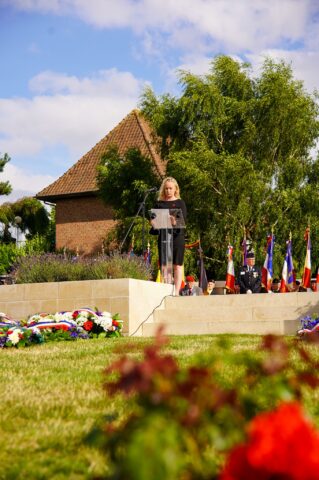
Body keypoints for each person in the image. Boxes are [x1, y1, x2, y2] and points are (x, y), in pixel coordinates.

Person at [150, 176, 187, 295]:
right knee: (165, 265)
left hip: (177, 237)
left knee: (177, 265)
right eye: (166, 189)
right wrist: (153, 222)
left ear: (175, 189)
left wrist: (174, 221)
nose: (168, 191)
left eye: (170, 188)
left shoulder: (180, 203)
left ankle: (176, 291)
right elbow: (153, 219)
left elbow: (184, 220)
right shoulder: (159, 203)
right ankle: (167, 290)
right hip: (164, 237)